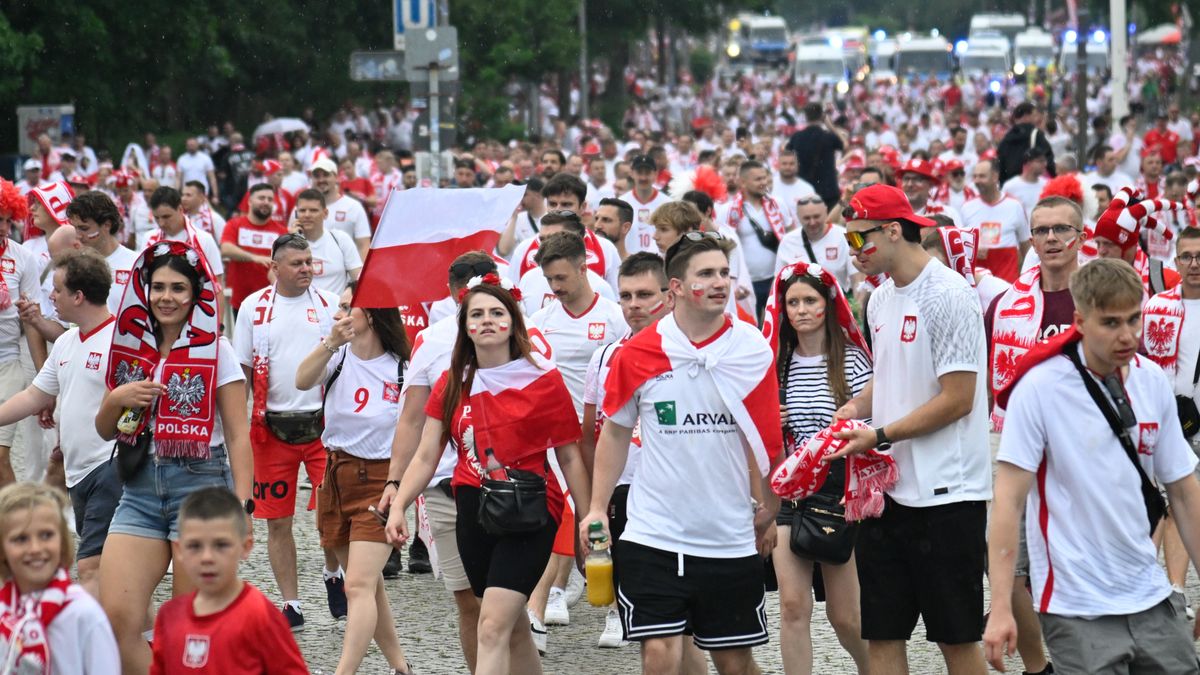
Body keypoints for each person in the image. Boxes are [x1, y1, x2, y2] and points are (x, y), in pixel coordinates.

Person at [580, 233, 783, 675]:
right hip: (654, 533)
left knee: (734, 662)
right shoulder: (638, 352)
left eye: (724, 273)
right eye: (706, 274)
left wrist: (771, 507)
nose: (720, 283)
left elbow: (765, 440)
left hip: (727, 536)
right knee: (659, 654)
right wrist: (596, 507)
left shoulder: (751, 349)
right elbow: (613, 434)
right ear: (676, 287)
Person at [985, 259, 1200, 674]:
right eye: (1111, 323)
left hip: (1149, 595)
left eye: (1134, 319)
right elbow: (1008, 501)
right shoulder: (1041, 387)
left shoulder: (1152, 380)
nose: (1127, 335)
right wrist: (999, 608)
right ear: (1080, 321)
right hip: (1074, 604)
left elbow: (1184, 490)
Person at [385, 276, 591, 675]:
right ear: (464, 326)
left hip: (530, 513)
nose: (487, 321)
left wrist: (587, 518)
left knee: (492, 626)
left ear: (514, 322)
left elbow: (569, 457)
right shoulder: (452, 382)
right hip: (473, 514)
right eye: (476, 314)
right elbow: (427, 455)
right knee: (511, 627)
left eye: (497, 313)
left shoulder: (544, 380)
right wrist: (398, 505)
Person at [834, 184, 991, 674]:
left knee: (957, 639)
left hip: (948, 494)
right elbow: (892, 377)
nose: (852, 252)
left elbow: (958, 399)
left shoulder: (949, 294)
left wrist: (880, 436)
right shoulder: (879, 299)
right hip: (888, 492)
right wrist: (855, 407)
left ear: (894, 230)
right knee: (882, 634)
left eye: (859, 240)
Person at [95, 241, 253, 673]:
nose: (167, 297)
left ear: (197, 293)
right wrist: (118, 399)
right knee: (114, 621)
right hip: (140, 488)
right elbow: (108, 428)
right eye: (158, 286)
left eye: (178, 288)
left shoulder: (217, 351)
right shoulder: (132, 348)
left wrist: (241, 506)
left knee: (190, 629)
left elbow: (240, 435)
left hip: (200, 486)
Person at [382, 252, 515, 672]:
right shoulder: (433, 340)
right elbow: (412, 419)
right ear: (457, 296)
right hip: (445, 487)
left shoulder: (521, 335)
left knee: (506, 606)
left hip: (512, 489)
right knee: (470, 602)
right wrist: (395, 487)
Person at [294, 290, 415, 674]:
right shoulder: (338, 356)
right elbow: (301, 381)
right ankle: (401, 667)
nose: (340, 312)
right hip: (336, 476)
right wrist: (331, 343)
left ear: (374, 315)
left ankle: (342, 672)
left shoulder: (402, 367)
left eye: (349, 306)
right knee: (369, 585)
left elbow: (411, 434)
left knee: (358, 586)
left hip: (381, 481)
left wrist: (398, 489)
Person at [232, 233, 344, 631]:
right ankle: (291, 603)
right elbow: (240, 372)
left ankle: (334, 574)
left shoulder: (330, 306)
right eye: (296, 263)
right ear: (274, 268)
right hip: (269, 429)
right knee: (276, 522)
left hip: (323, 428)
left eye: (309, 261)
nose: (306, 269)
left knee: (330, 516)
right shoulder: (253, 308)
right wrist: (234, 430)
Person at [765, 262, 872, 675]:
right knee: (792, 605)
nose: (801, 309)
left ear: (827, 305)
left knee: (845, 616)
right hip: (791, 488)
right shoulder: (777, 364)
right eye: (792, 302)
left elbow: (874, 421)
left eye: (810, 300)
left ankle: (873, 668)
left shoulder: (852, 362)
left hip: (837, 489)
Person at [0, 250, 120, 597]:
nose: (50, 297)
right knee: (108, 566)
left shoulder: (119, 341)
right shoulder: (67, 341)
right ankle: (142, 641)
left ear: (78, 296)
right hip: (77, 471)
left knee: (91, 565)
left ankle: (95, 645)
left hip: (109, 467)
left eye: (56, 289)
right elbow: (34, 397)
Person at [580, 252, 673, 649]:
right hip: (624, 478)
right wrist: (592, 497)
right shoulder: (605, 355)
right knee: (618, 553)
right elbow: (592, 431)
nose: (634, 305)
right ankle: (619, 610)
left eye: (644, 294)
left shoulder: (682, 352)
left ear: (669, 295)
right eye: (625, 296)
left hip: (670, 481)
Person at [150, 487, 307, 675]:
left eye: (221, 545)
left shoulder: (259, 615)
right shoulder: (169, 616)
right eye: (195, 546)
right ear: (180, 550)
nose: (207, 557)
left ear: (245, 547)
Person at [1142, 226, 1200, 619]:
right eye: (1187, 257)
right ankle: (1175, 589)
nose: (1194, 265)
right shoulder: (1156, 305)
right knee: (1169, 504)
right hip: (1169, 420)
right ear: (1175, 261)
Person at [0, 482, 119, 672]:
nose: (35, 549)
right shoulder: (5, 611)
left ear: (62, 542)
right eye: (21, 539)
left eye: (46, 535)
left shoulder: (83, 614)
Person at [724, 160, 794, 317]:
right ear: (743, 182)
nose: (763, 183)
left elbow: (791, 237)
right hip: (747, 283)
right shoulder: (729, 210)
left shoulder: (778, 204)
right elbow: (724, 247)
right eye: (758, 179)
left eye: (764, 178)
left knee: (779, 329)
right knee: (752, 327)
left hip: (776, 278)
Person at [66, 191, 139, 314]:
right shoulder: (74, 266)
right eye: (75, 228)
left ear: (107, 225)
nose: (78, 235)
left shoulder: (135, 264)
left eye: (84, 228)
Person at [220, 183, 289, 310]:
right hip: (241, 300)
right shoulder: (235, 225)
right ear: (250, 201)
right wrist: (254, 257)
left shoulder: (282, 231)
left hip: (271, 301)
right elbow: (226, 249)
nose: (266, 202)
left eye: (270, 199)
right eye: (261, 198)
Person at [962, 159, 1031, 283]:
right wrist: (972, 249)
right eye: (975, 176)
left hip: (1007, 281)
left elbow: (1025, 244)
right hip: (979, 282)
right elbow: (959, 244)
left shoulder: (1014, 206)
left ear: (995, 177)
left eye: (982, 176)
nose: (977, 181)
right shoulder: (967, 207)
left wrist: (1028, 278)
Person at [290, 188, 363, 297]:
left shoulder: (340, 239)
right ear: (296, 214)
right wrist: (292, 240)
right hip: (302, 310)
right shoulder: (288, 242)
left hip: (336, 311)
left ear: (325, 213)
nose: (307, 215)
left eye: (313, 210)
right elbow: (275, 278)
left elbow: (358, 279)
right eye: (302, 210)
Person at [775, 196, 856, 291]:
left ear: (826, 212)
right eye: (806, 218)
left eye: (816, 217)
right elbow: (778, 281)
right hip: (802, 303)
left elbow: (859, 278)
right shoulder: (787, 241)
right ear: (798, 216)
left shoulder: (850, 235)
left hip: (838, 301)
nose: (812, 222)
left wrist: (857, 305)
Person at [146, 186, 225, 283]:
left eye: (166, 217)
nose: (161, 223)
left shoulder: (204, 240)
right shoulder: (148, 239)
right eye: (157, 218)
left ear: (180, 209)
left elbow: (217, 283)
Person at [785, 103, 845, 210]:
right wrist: (830, 125)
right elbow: (844, 144)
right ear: (822, 116)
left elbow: (786, 152)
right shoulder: (828, 137)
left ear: (806, 116)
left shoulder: (796, 137)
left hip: (804, 190)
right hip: (828, 191)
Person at [309, 157, 371, 260]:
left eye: (326, 175)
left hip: (345, 273)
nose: (321, 180)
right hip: (313, 273)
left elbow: (363, 245)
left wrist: (359, 274)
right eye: (316, 176)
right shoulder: (302, 209)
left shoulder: (353, 207)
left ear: (336, 177)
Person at [624, 155, 673, 255]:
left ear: (655, 174)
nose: (643, 177)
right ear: (632, 173)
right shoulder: (622, 203)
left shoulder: (668, 204)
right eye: (639, 172)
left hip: (659, 261)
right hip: (629, 262)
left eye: (647, 173)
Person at [997, 103, 1056, 185]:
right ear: (1026, 116)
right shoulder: (1036, 134)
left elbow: (1000, 165)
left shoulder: (1006, 138)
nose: (1036, 119)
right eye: (1034, 115)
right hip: (1032, 181)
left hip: (1011, 184)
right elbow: (1048, 159)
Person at [1000, 149, 1049, 220]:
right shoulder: (1010, 186)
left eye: (1045, 161)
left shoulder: (1047, 184)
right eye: (1040, 161)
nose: (1045, 164)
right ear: (1029, 164)